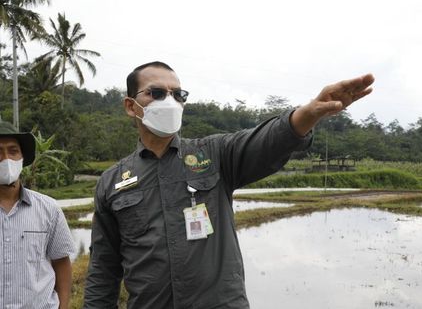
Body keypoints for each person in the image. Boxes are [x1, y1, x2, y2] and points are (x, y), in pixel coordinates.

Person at [83, 61, 374, 309]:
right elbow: (103, 270)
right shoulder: (112, 183)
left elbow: (266, 140)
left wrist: (309, 114)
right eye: (157, 93)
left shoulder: (214, 154)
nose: (169, 101)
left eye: (178, 94)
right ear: (130, 106)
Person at [0, 121, 76, 309]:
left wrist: (63, 306)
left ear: (22, 158)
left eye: (13, 151)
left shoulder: (48, 209)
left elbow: (61, 262)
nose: (6, 159)